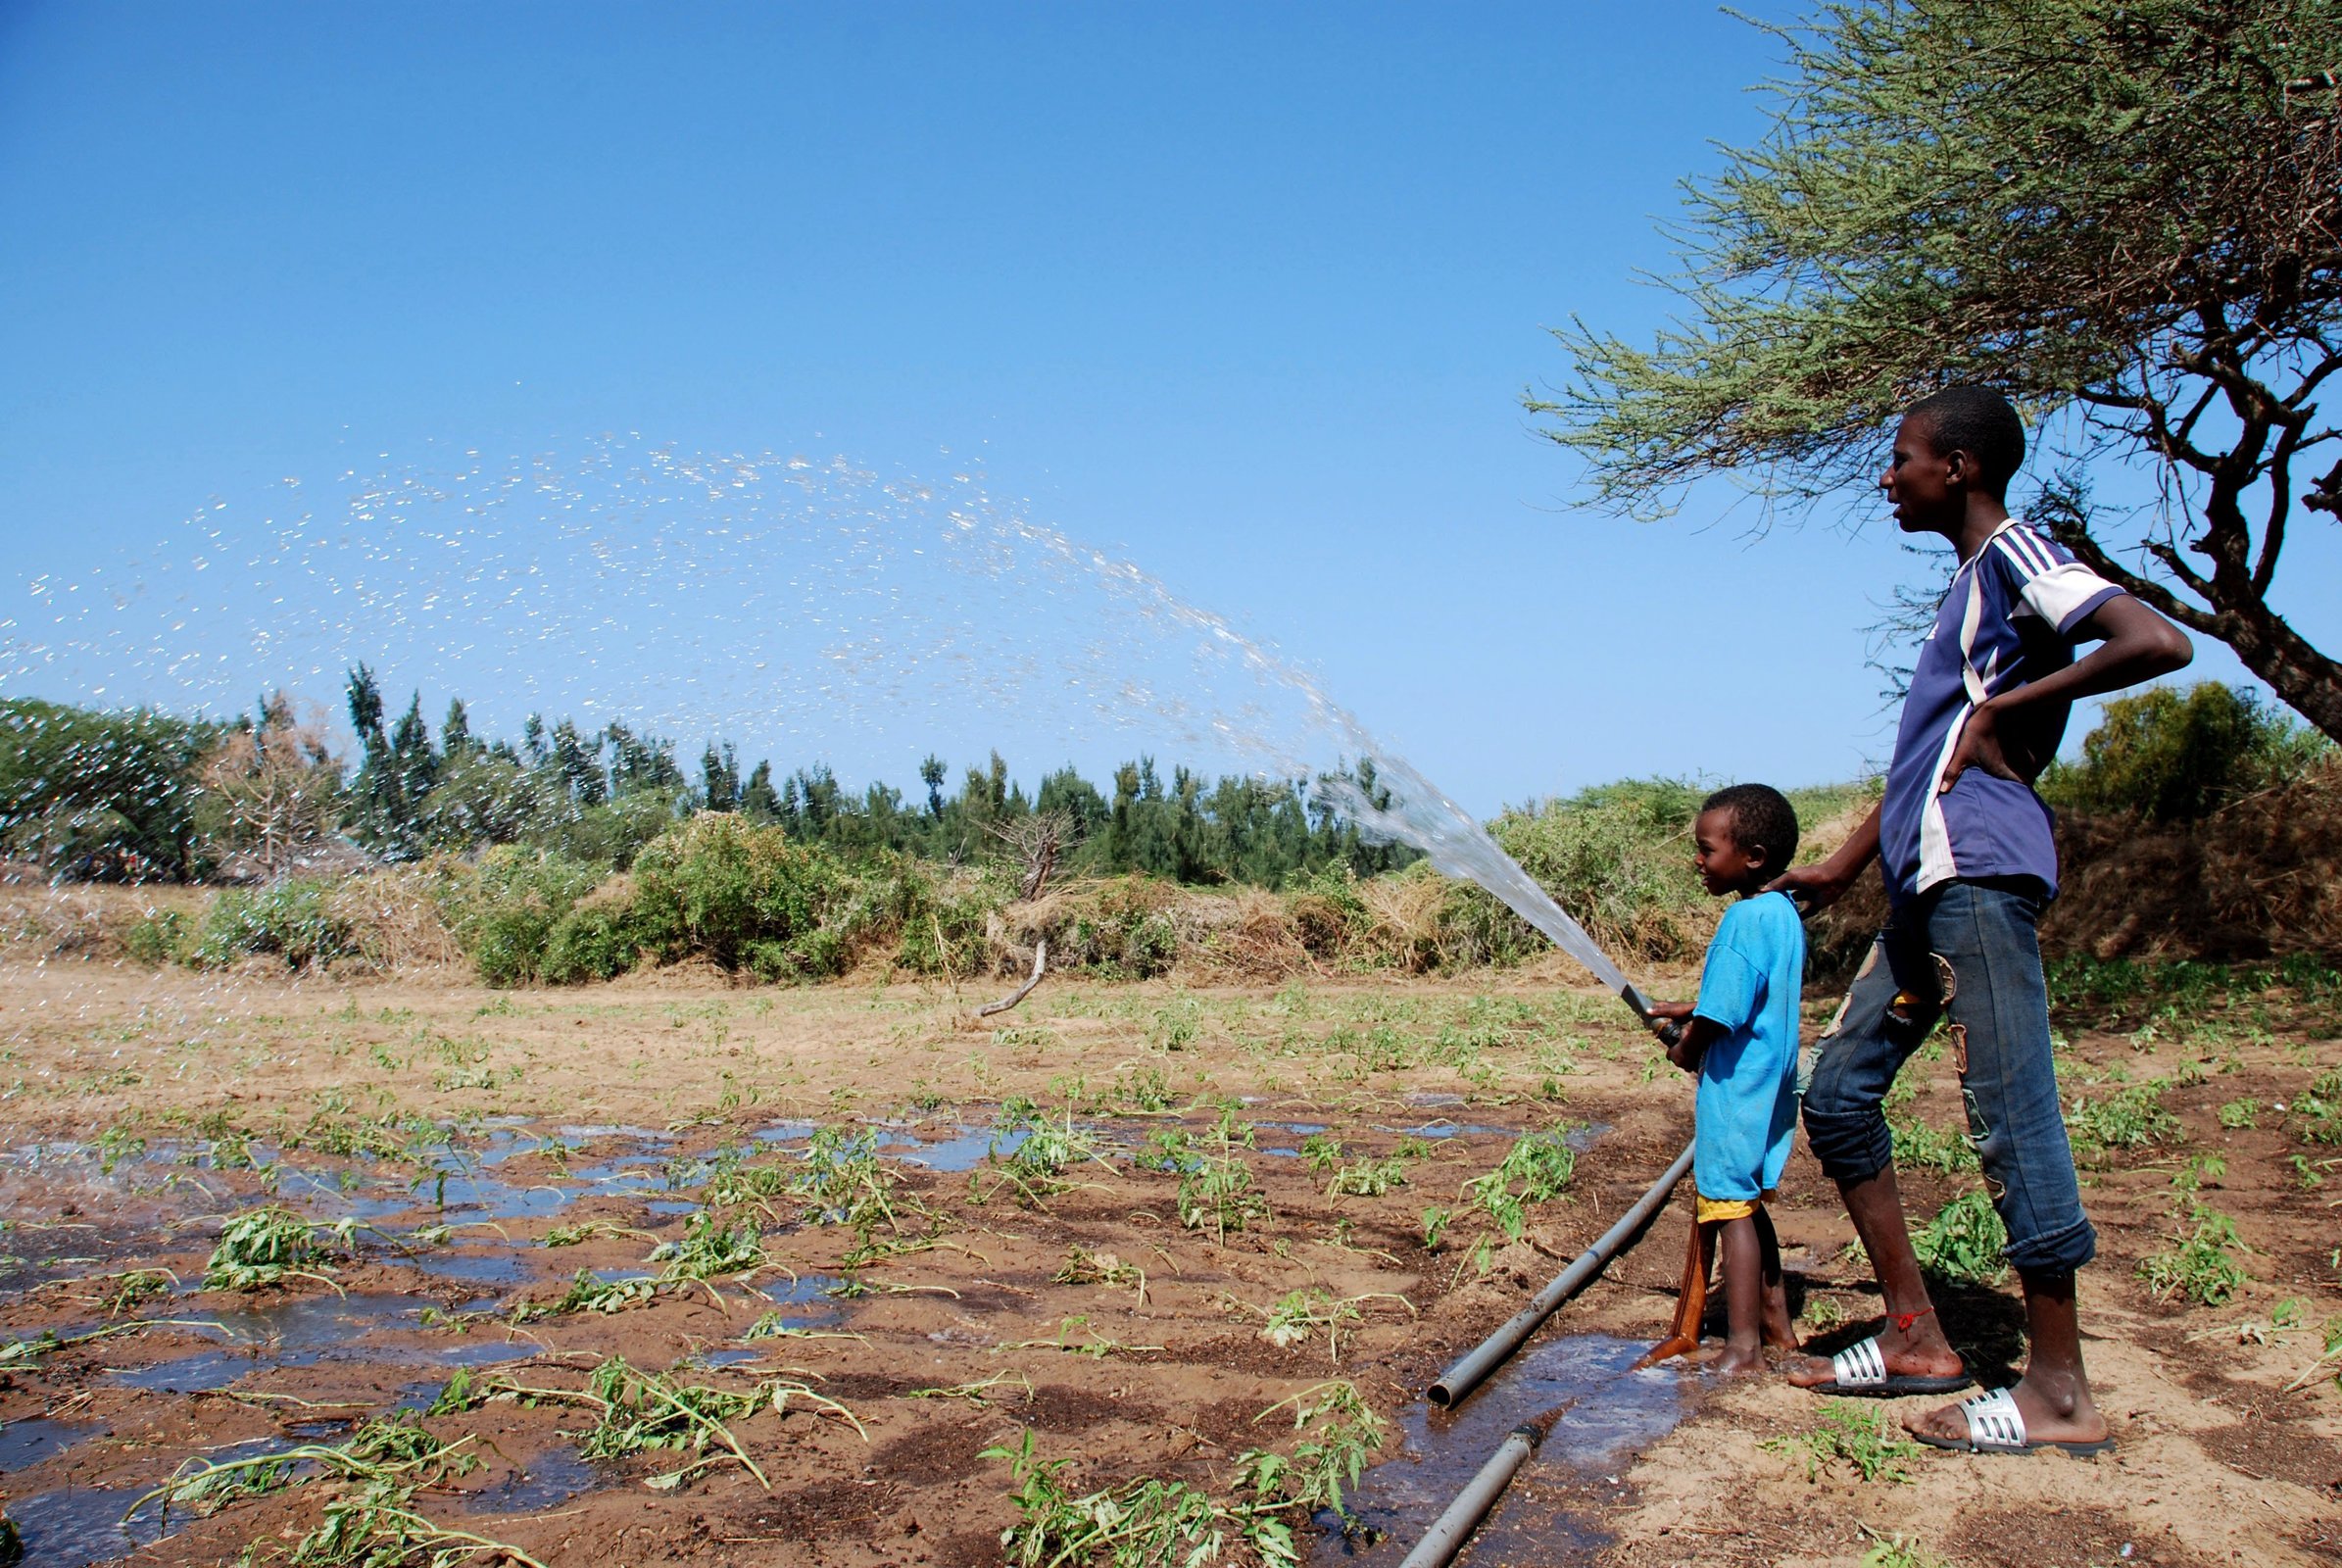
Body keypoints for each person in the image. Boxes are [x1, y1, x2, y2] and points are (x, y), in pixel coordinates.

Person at [1769, 385, 2191, 1454]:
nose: (1885, 474)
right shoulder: (1967, 586)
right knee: (1838, 1093)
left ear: (1955, 466)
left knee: (2008, 1113)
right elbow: (1920, 757)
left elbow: (2152, 639)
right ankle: (1916, 1338)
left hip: (1977, 875)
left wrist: (2005, 710)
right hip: (1921, 886)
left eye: (1899, 456)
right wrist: (1840, 864)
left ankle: (2057, 1391)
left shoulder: (2016, 553)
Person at [1645, 784, 1807, 1376]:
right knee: (1748, 1201)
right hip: (1771, 1082)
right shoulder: (1781, 913)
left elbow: (1723, 1013)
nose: (1699, 861)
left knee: (1728, 1207)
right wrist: (1694, 1008)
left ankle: (1742, 1347)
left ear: (1753, 856)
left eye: (1708, 850)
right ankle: (1776, 1328)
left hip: (1736, 1087)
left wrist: (1689, 1047)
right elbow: (1751, 997)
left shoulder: (1741, 918)